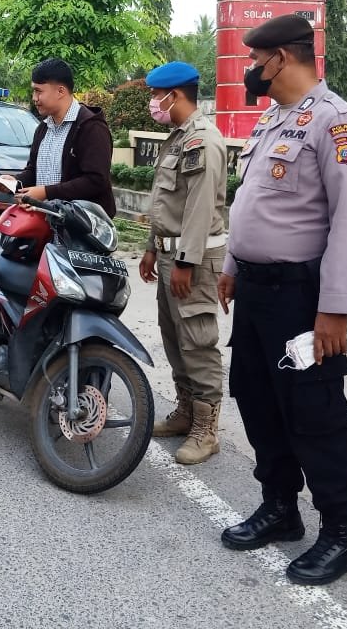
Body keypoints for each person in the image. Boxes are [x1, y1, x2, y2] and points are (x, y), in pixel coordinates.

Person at [215, 14, 347, 586]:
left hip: (301, 299)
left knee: (314, 410)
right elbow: (251, 204)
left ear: (282, 57)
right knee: (255, 396)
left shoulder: (337, 123)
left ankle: (340, 533)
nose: (253, 71)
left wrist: (334, 308)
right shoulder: (274, 121)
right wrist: (233, 267)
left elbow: (346, 222)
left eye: (257, 61)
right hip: (257, 291)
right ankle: (281, 507)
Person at [138, 62, 228, 465]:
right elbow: (165, 203)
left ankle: (206, 430)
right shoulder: (176, 139)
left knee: (197, 340)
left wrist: (186, 263)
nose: (152, 102)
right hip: (171, 254)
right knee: (175, 337)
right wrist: (151, 248)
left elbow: (199, 207)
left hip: (195, 257)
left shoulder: (202, 141)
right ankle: (186, 411)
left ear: (175, 95)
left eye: (157, 95)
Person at [16, 58, 115, 217]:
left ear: (61, 91)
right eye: (33, 91)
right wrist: (15, 182)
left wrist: (46, 192)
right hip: (46, 224)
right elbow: (34, 170)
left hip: (81, 228)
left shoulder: (91, 127)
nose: (34, 98)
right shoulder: (43, 127)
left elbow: (96, 180)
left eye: (39, 91)